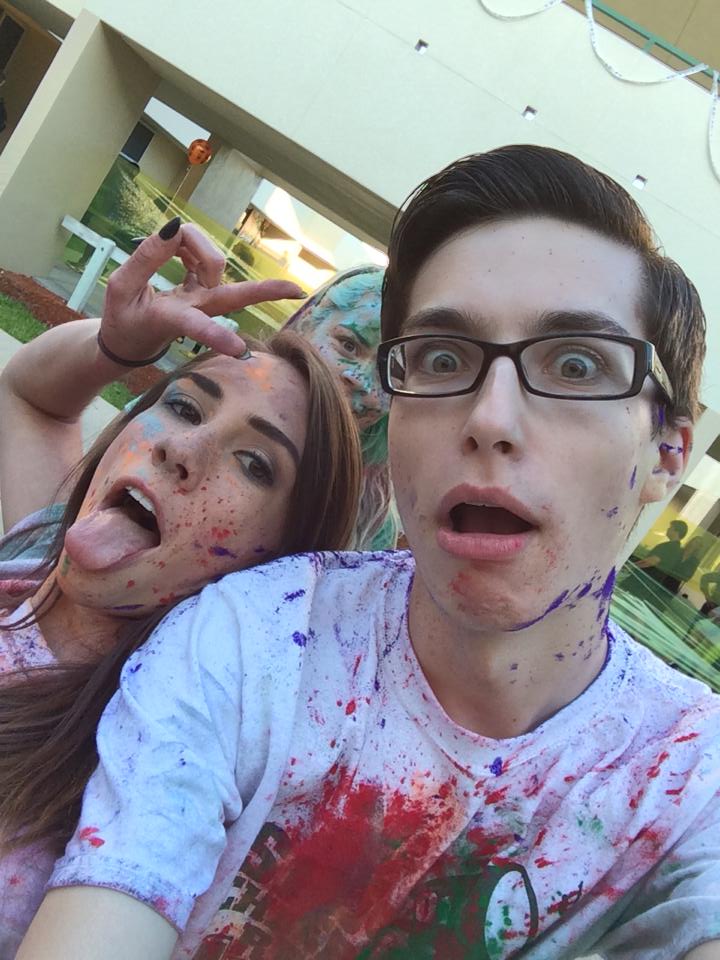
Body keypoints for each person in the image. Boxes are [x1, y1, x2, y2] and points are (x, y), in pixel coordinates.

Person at [18, 145, 720, 960]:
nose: (490, 418)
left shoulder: (691, 783)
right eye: (442, 360)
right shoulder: (254, 634)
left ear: (669, 453)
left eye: (575, 365)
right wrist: (114, 346)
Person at [0, 220, 362, 956]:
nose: (180, 447)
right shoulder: (30, 553)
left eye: (255, 464)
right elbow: (30, 396)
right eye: (186, 406)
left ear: (276, 561)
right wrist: (116, 347)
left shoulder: (152, 780)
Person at [284, 265, 398, 549]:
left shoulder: (371, 524)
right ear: (308, 322)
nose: (360, 380)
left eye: (387, 372)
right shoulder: (212, 401)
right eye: (348, 345)